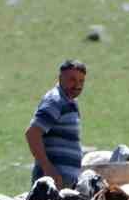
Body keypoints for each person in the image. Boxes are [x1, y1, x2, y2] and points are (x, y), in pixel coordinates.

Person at [26, 60, 86, 188]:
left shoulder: (70, 102)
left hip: (65, 182)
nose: (77, 85)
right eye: (72, 80)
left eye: (81, 81)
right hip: (52, 183)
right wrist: (48, 169)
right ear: (60, 78)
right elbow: (32, 134)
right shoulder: (55, 101)